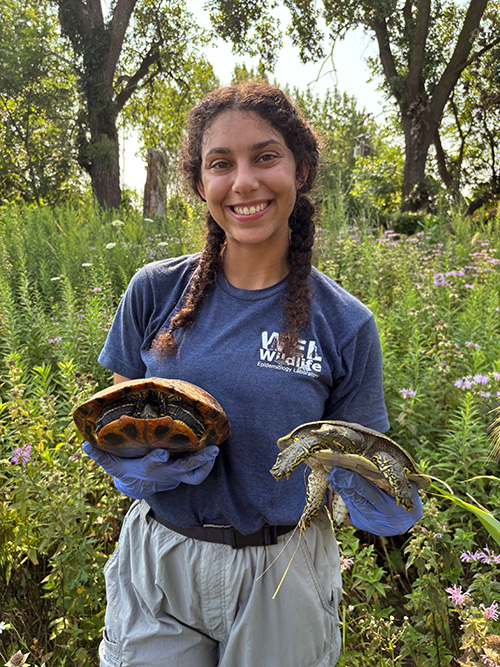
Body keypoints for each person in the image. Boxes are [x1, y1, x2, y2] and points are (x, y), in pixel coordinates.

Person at [83, 81, 423, 667]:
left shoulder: (345, 323)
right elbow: (117, 409)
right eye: (221, 164)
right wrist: (138, 465)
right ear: (200, 184)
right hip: (162, 557)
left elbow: (360, 449)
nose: (244, 182)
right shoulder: (154, 291)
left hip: (282, 568)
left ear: (301, 169)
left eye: (265, 157)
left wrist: (381, 488)